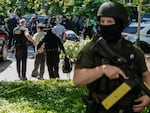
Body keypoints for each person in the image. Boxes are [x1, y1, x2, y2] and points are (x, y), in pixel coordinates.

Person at [73, 1, 150, 113]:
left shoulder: (133, 51)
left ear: (120, 23)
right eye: (102, 21)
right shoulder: (91, 49)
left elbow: (145, 74)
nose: (105, 25)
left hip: (129, 109)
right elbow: (77, 79)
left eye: (110, 21)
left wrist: (148, 96)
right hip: (100, 109)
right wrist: (102, 70)